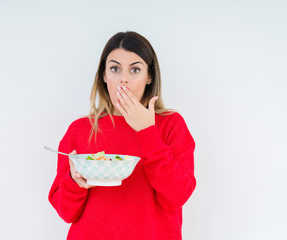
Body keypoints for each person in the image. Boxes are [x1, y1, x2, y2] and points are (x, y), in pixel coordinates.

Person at [48, 31, 196, 240]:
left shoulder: (171, 125)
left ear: (149, 77)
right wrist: (75, 181)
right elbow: (66, 212)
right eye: (115, 69)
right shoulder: (80, 130)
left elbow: (178, 194)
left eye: (135, 69)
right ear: (104, 75)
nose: (123, 79)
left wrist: (147, 132)